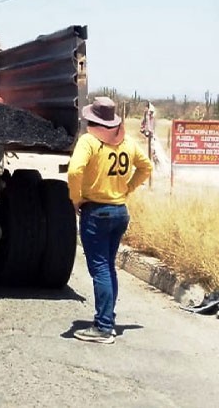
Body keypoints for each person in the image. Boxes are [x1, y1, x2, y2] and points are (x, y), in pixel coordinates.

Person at [67, 96, 153, 344]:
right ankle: (109, 319)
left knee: (100, 268)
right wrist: (127, 189)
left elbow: (74, 171)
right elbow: (146, 167)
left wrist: (76, 198)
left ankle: (103, 327)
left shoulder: (89, 142)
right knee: (108, 265)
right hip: (119, 211)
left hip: (97, 211)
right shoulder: (126, 143)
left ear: (92, 120)